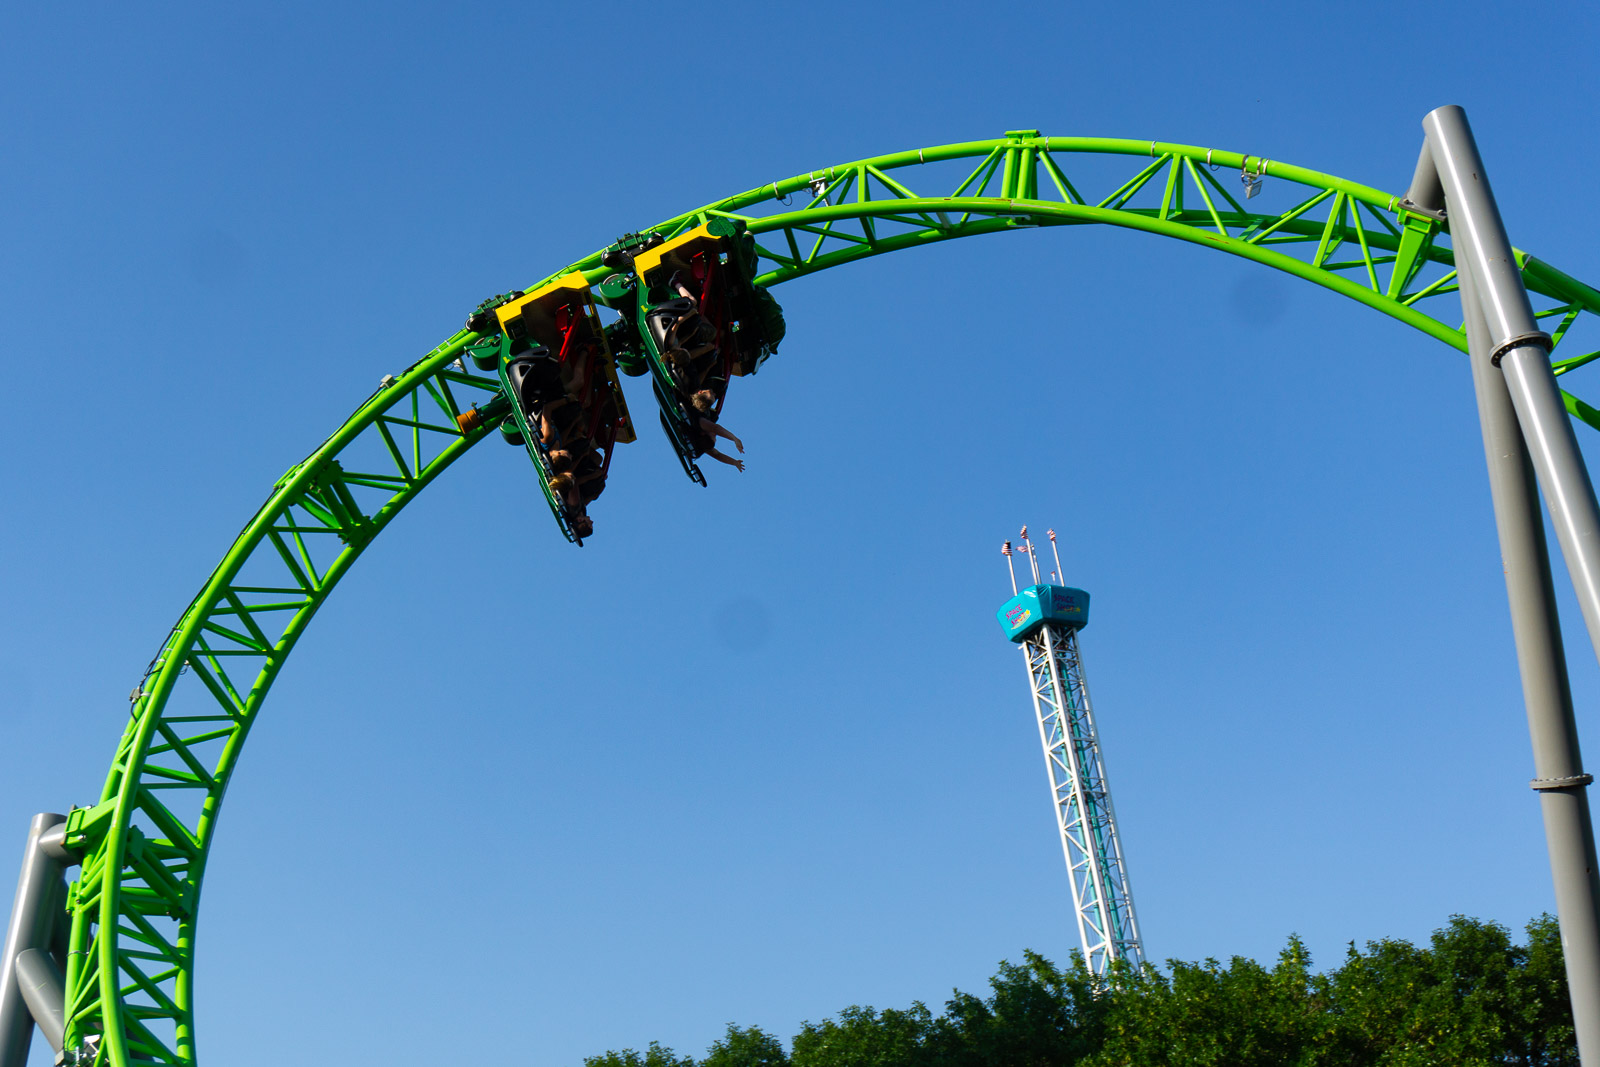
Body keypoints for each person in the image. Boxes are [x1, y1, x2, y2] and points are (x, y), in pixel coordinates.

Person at [685, 389, 745, 472]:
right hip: (696, 402)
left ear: (704, 434)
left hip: (693, 400)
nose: (715, 435)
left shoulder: (698, 423)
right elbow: (717, 455)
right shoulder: (701, 434)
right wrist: (734, 462)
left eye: (713, 435)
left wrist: (734, 439)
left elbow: (715, 428)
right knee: (714, 415)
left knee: (712, 409)